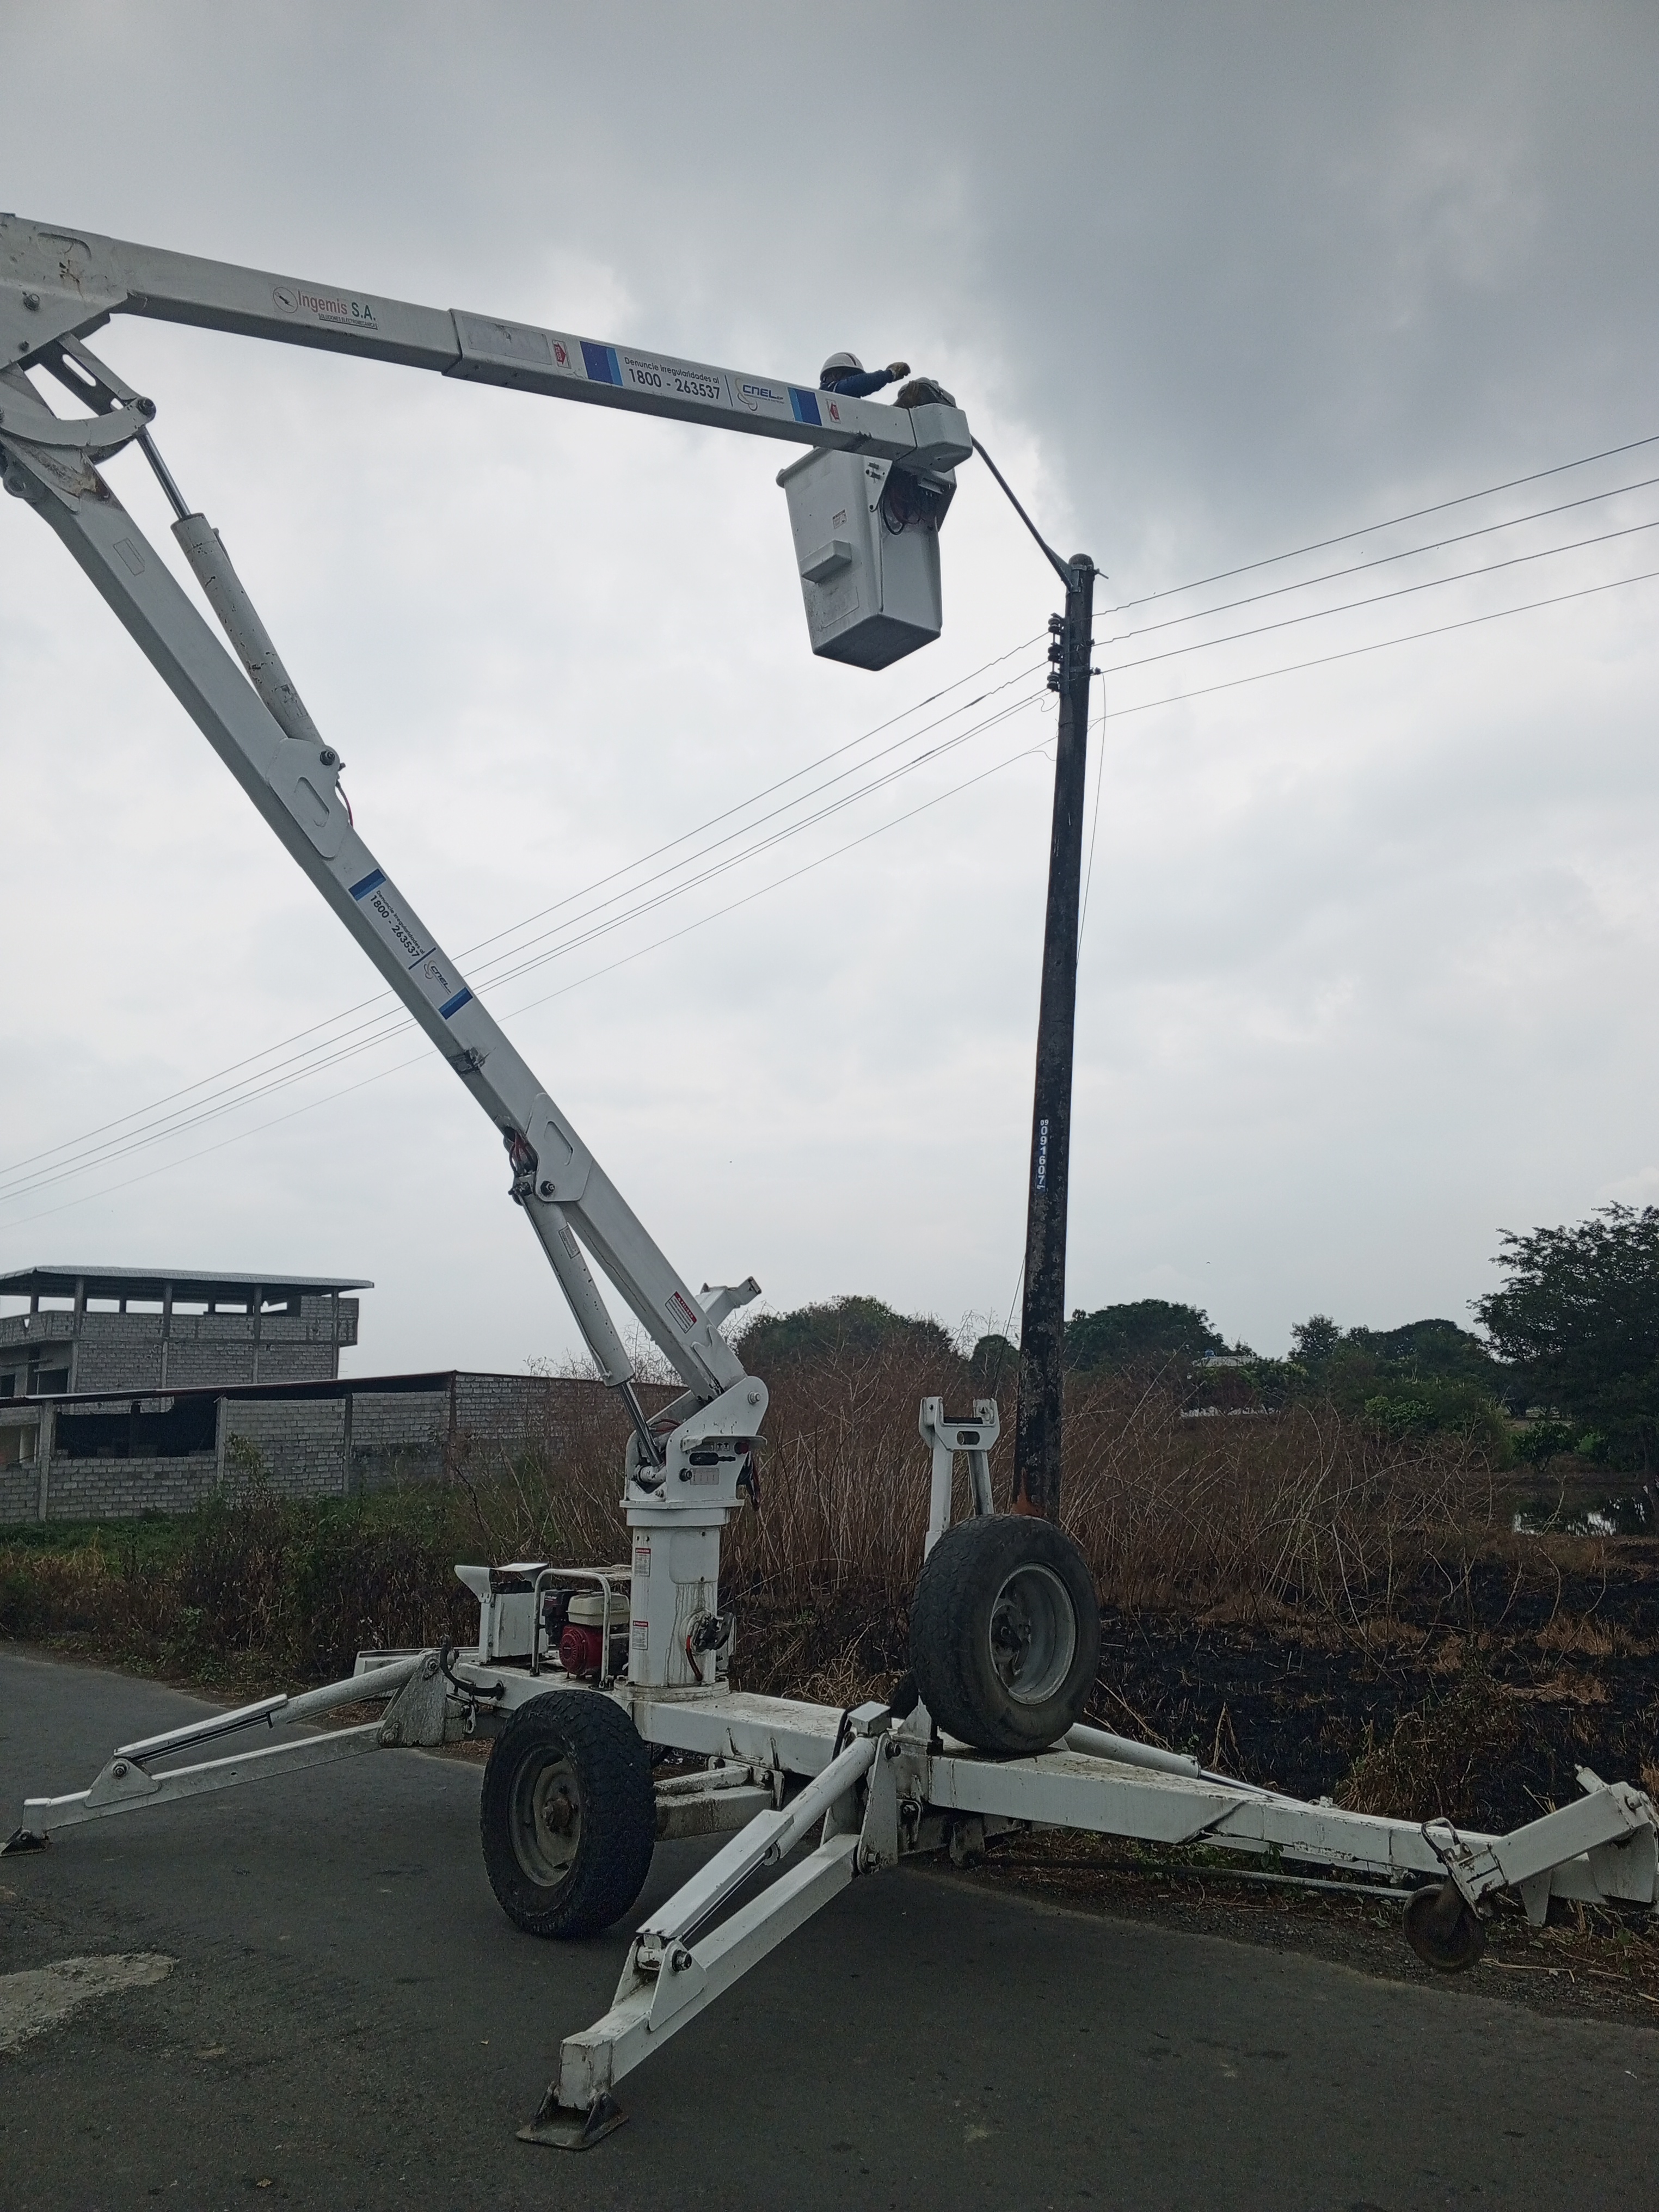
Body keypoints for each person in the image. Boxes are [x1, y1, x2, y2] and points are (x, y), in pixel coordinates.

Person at [819, 351, 911, 400]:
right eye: (851, 376)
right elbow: (857, 384)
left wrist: (902, 405)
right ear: (836, 375)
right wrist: (890, 374)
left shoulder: (849, 410)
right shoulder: (828, 391)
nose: (854, 379)